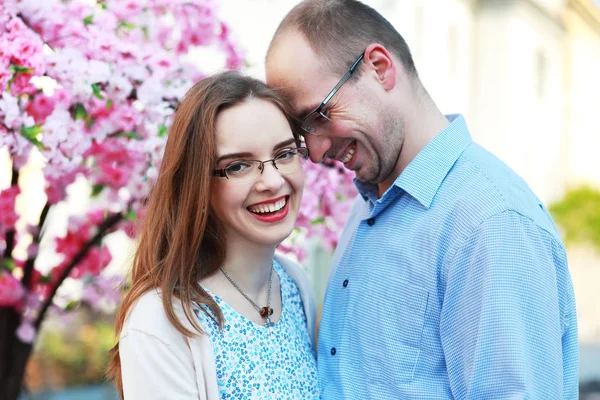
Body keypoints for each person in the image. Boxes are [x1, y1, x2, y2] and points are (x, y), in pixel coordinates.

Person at [265, 0, 578, 398]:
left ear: (379, 67)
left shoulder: (491, 224)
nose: (316, 149)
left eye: (320, 115)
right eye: (301, 131)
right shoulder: (371, 200)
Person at [106, 71, 319, 399]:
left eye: (285, 154)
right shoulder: (161, 322)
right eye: (238, 166)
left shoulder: (294, 285)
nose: (273, 181)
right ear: (198, 184)